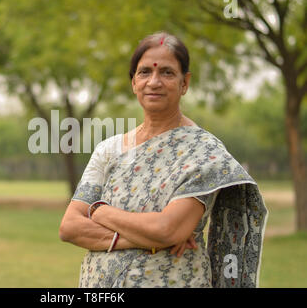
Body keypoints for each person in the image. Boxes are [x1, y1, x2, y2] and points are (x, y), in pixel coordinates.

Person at [59, 31, 268, 288]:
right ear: (133, 82)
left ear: (185, 83)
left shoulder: (204, 152)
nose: (154, 82)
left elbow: (167, 229)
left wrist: (99, 211)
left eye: (167, 73)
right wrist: (150, 240)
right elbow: (69, 227)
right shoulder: (109, 149)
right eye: (145, 72)